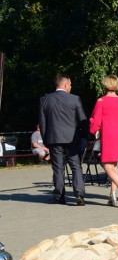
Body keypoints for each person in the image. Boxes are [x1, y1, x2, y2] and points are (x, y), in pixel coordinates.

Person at [39, 74, 87, 205]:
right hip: (72, 139)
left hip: (54, 139)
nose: (71, 87)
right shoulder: (75, 99)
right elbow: (82, 120)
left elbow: (42, 123)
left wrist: (45, 140)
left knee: (58, 168)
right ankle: (79, 194)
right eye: (70, 84)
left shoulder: (45, 100)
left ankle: (59, 196)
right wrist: (84, 136)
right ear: (65, 85)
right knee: (76, 166)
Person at [89, 74, 118, 207]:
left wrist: (91, 128)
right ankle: (114, 196)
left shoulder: (101, 101)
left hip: (108, 133)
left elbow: (96, 121)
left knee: (106, 164)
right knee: (114, 165)